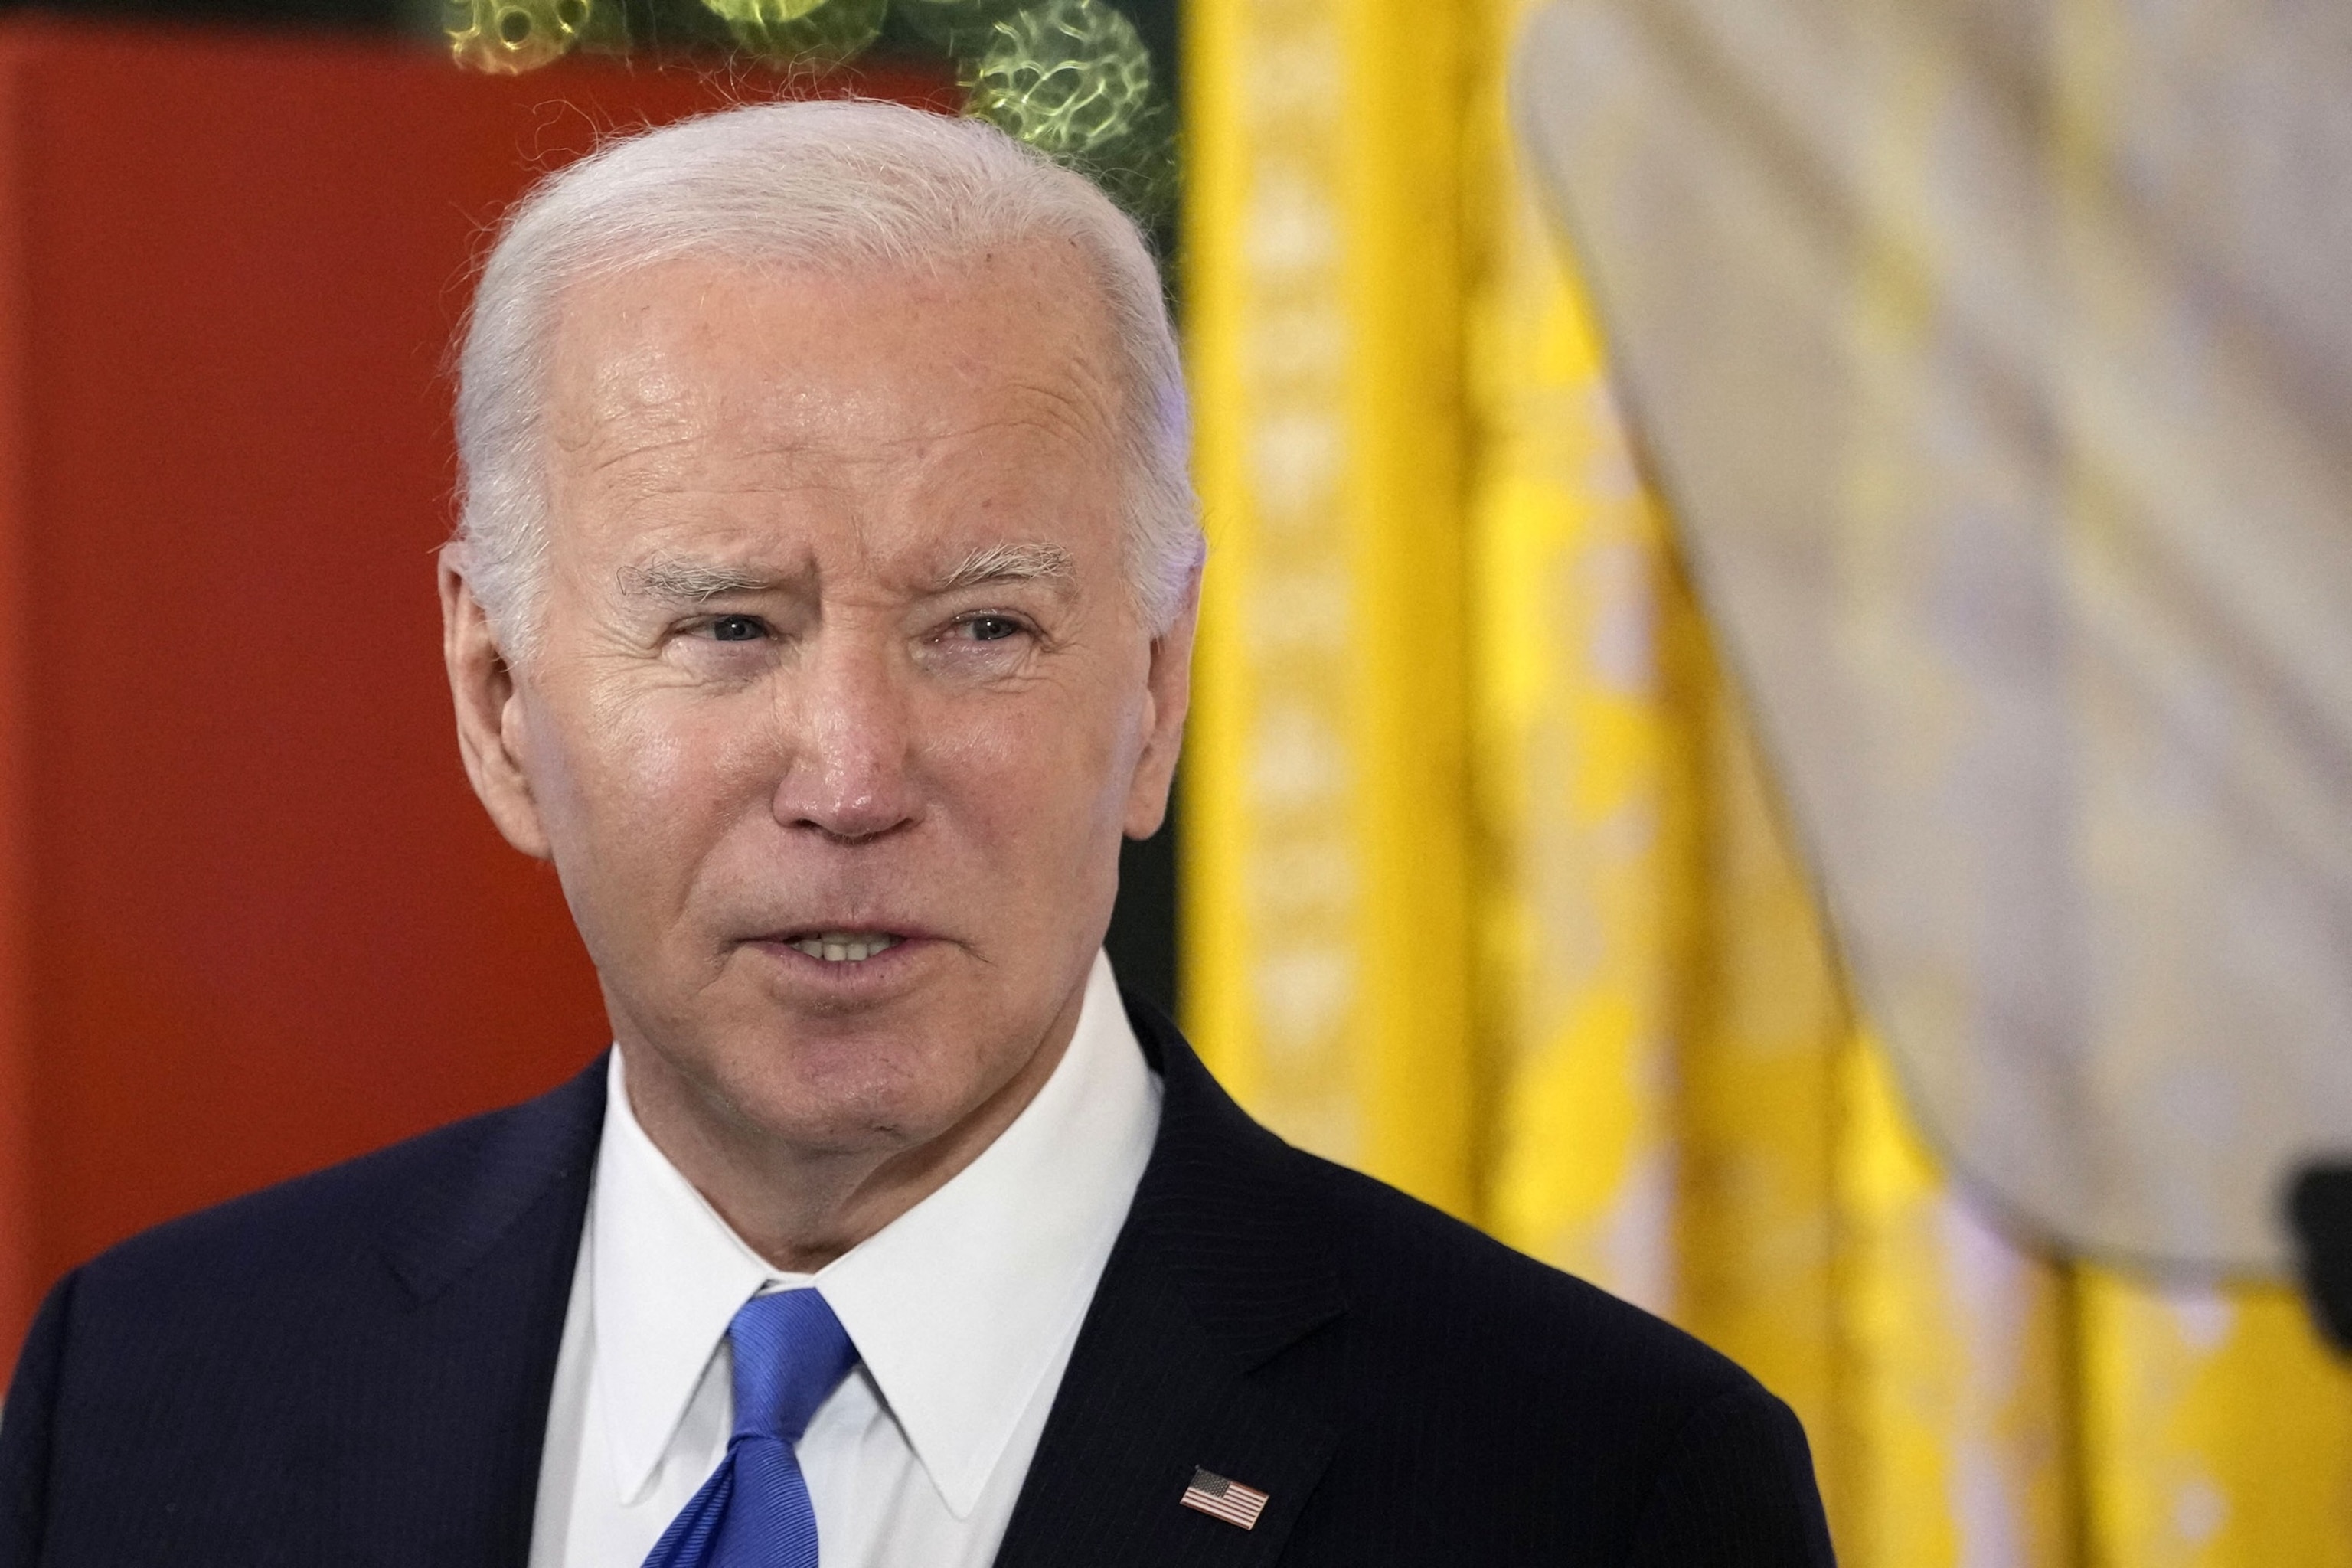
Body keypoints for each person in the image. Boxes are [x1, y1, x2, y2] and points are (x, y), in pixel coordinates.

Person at [0, 101, 1833, 1566]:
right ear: (496, 702)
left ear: (1160, 695)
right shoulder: (152, 1393)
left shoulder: (1604, 1490)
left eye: (982, 629)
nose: (856, 773)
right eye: (729, 625)